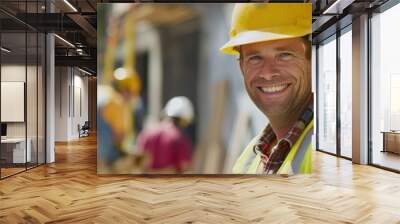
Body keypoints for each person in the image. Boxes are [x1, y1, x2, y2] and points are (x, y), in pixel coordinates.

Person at [220, 3, 313, 174]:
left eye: (284, 55)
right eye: (255, 58)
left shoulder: (333, 149)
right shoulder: (249, 160)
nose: (268, 73)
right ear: (241, 67)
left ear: (314, 58)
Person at [137, 96, 194, 174]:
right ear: (184, 120)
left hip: (147, 183)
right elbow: (185, 167)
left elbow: (139, 162)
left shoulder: (147, 133)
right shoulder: (179, 138)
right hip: (170, 183)